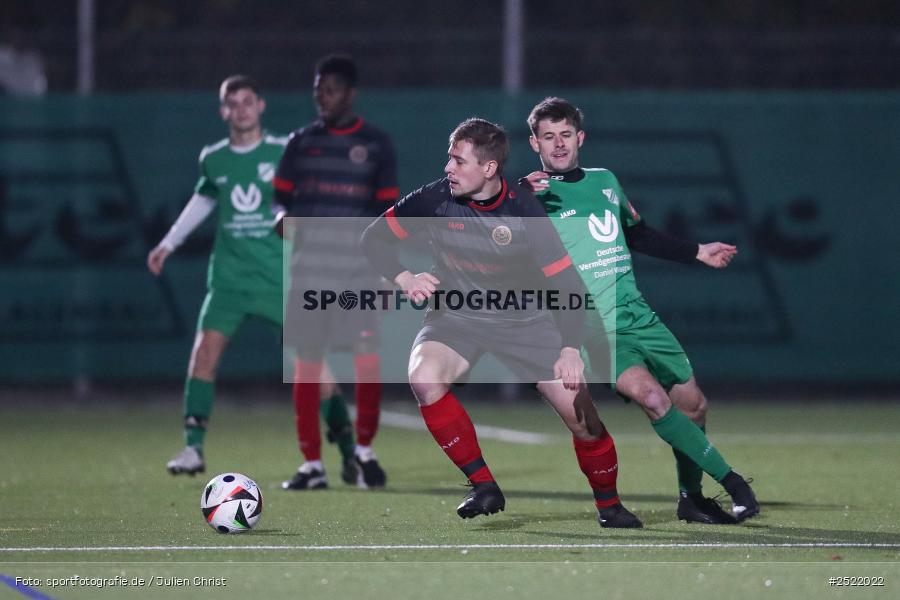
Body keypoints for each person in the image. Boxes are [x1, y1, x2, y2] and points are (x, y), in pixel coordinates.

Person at [361, 117, 642, 528]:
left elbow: (567, 285)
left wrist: (568, 348)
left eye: (458, 161)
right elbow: (372, 238)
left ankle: (610, 506)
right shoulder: (435, 199)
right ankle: (484, 485)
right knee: (424, 378)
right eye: (448, 159)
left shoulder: (524, 211)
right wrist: (405, 277)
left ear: (489, 169)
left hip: (526, 321)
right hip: (456, 316)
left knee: (585, 422)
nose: (448, 169)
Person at [522, 96, 760, 523]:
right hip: (594, 326)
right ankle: (734, 483)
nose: (557, 145)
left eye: (564, 135)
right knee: (651, 397)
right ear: (534, 143)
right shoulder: (528, 198)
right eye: (547, 137)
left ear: (580, 137)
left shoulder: (605, 181)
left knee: (693, 405)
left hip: (639, 314)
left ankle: (691, 499)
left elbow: (639, 233)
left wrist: (697, 252)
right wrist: (519, 201)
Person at [148, 75, 356, 477]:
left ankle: (348, 449)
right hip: (230, 280)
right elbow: (203, 199)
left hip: (283, 280)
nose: (240, 109)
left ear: (261, 106)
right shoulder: (214, 158)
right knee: (203, 354)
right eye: (232, 103)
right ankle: (193, 449)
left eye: (247, 102)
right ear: (223, 111)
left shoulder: (285, 151)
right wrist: (168, 243)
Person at [273, 55, 397, 490]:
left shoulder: (377, 145)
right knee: (306, 365)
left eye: (330, 90)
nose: (321, 97)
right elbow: (280, 201)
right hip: (309, 274)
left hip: (358, 274)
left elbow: (386, 216)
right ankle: (312, 464)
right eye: (317, 90)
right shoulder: (300, 143)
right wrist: (280, 218)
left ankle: (364, 452)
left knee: (367, 362)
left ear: (350, 94)